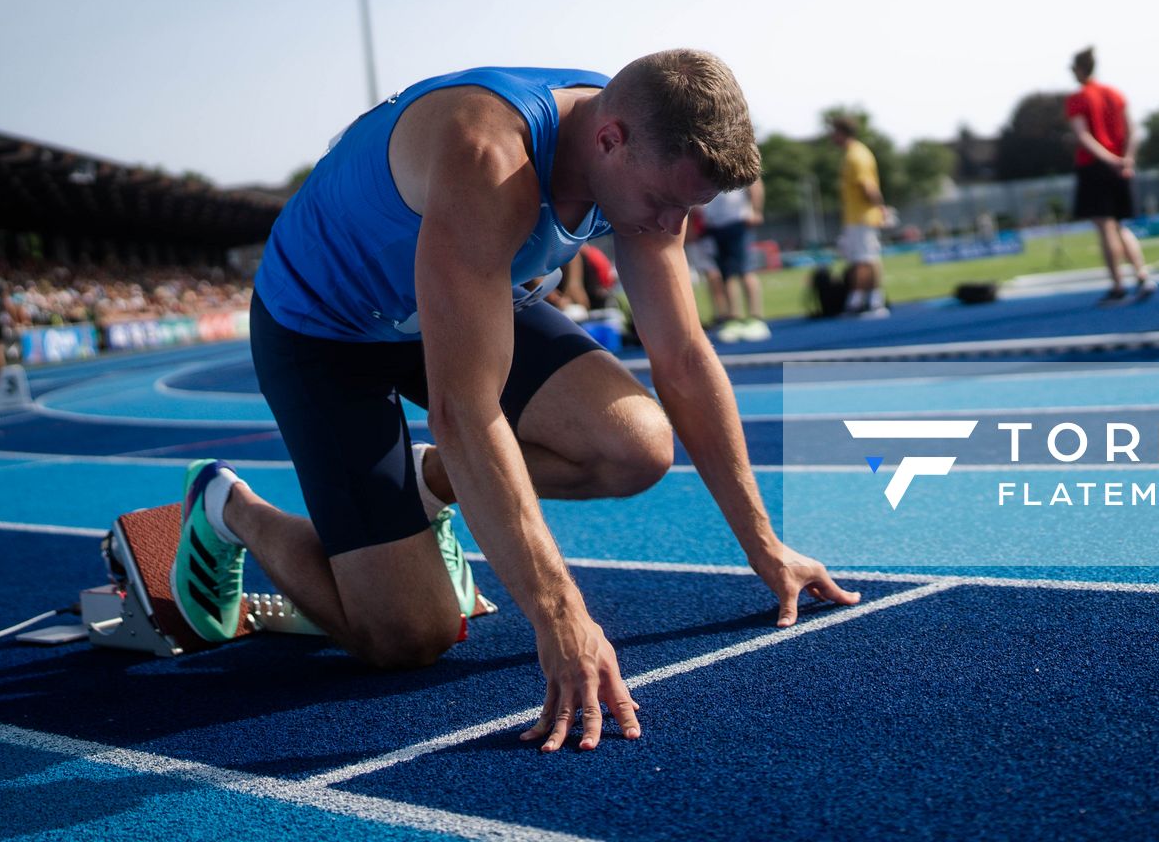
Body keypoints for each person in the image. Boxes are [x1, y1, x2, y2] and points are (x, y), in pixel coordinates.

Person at [181, 53, 856, 754]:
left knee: (635, 447)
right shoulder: (488, 157)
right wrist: (559, 612)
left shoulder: (650, 160)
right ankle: (229, 508)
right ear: (608, 140)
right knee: (406, 637)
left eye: (688, 207)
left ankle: (429, 481)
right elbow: (465, 411)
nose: (671, 223)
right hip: (325, 329)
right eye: (665, 201)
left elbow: (683, 359)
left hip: (457, 293)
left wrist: (765, 545)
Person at [1066, 48, 1153, 302]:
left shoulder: (1079, 98)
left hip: (1096, 166)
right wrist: (1127, 159)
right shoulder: (1115, 94)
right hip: (1120, 165)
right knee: (1119, 224)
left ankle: (1118, 286)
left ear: (1080, 69)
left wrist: (1111, 160)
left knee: (1105, 227)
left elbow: (1083, 136)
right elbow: (1133, 130)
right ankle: (1142, 275)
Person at [827, 115, 889, 317]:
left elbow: (867, 186)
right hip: (857, 216)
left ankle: (863, 302)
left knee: (864, 260)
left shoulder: (856, 156)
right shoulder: (853, 154)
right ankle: (870, 300)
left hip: (862, 216)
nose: (831, 136)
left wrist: (880, 207)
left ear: (842, 132)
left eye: (834, 132)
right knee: (865, 259)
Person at [700, 181, 769, 343]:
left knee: (746, 270)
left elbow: (754, 183)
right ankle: (734, 318)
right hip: (716, 225)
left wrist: (756, 210)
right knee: (726, 274)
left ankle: (756, 317)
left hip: (738, 221)